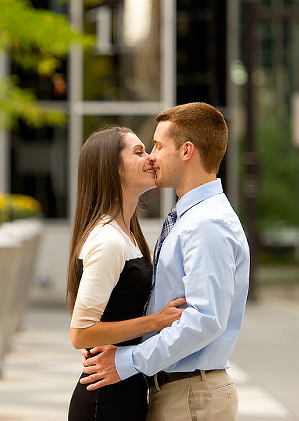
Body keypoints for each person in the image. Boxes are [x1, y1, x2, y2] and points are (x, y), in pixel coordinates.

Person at [79, 103, 251, 421]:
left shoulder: (207, 223)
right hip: (177, 393)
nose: (152, 157)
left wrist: (127, 360)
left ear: (186, 151)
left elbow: (204, 319)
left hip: (191, 396)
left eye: (158, 146)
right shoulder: (189, 218)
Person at [67, 126, 186, 421]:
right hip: (105, 402)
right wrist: (156, 322)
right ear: (112, 168)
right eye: (139, 152)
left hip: (125, 388)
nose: (151, 158)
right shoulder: (107, 240)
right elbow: (81, 333)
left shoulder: (127, 234)